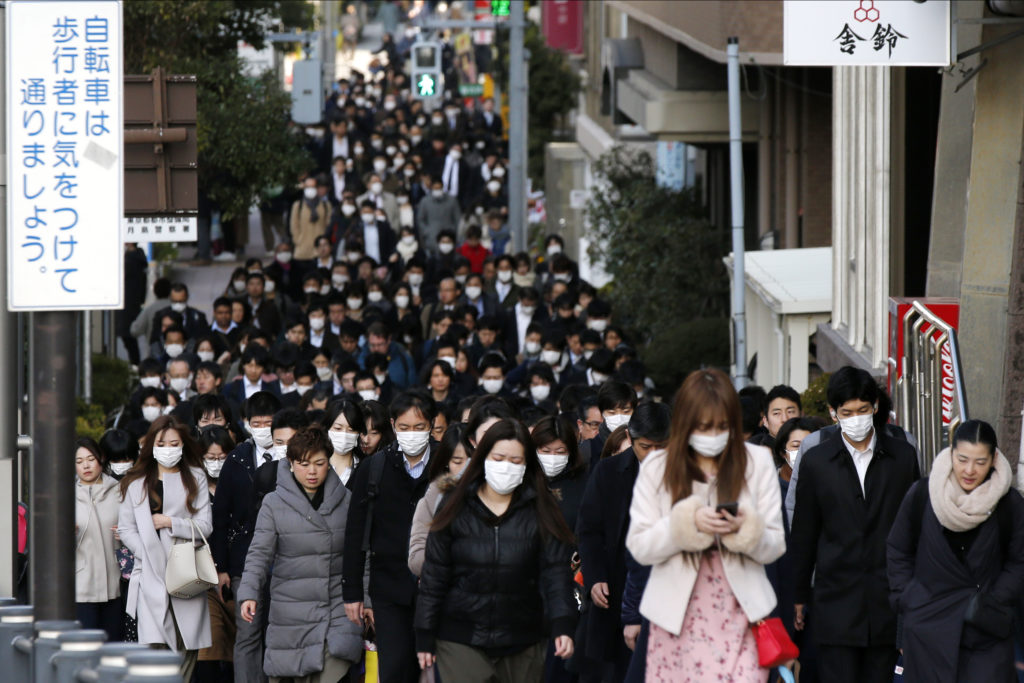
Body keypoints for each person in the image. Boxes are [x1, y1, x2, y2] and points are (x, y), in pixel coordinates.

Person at [626, 369, 785, 681]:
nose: (713, 436)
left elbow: (775, 545)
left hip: (743, 611)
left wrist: (745, 527)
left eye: (722, 427)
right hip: (674, 615)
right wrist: (685, 524)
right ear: (685, 423)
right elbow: (640, 546)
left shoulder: (758, 462)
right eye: (703, 427)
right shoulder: (658, 467)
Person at [414, 419, 578, 681]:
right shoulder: (456, 506)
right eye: (499, 458)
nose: (506, 467)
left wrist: (563, 624)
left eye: (516, 461)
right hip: (460, 636)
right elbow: (435, 577)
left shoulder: (541, 509)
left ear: (527, 464)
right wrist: (424, 633)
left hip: (523, 637)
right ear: (483, 458)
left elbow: (556, 573)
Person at [790, 367, 920, 682]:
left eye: (863, 410)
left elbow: (915, 527)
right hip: (836, 600)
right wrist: (797, 596)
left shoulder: (902, 457)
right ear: (833, 413)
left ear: (876, 407)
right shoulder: (817, 461)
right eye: (846, 412)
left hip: (888, 601)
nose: (856, 418)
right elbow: (804, 533)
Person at [887, 419, 1024, 682]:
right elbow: (898, 549)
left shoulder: (1009, 503)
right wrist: (909, 598)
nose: (969, 470)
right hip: (928, 627)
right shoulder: (923, 495)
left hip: (986, 630)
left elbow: (1019, 561)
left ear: (994, 459)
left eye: (980, 462)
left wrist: (994, 599)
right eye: (962, 459)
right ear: (951, 454)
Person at [239, 426, 363, 683]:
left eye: (319, 463)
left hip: (336, 610)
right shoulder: (274, 503)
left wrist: (367, 600)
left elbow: (363, 555)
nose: (312, 471)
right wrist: (249, 593)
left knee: (333, 668)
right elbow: (259, 553)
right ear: (291, 464)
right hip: (290, 614)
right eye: (304, 464)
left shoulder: (347, 500)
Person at [343, 390, 437, 683]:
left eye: (419, 428)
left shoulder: (446, 464)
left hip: (438, 587)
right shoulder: (375, 467)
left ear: (431, 426)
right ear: (394, 425)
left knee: (438, 670)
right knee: (394, 669)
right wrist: (353, 593)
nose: (412, 434)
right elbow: (355, 533)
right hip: (389, 589)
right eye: (405, 428)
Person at [575, 401, 670, 683]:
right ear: (629, 437)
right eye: (645, 447)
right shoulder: (608, 472)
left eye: (660, 447)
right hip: (614, 589)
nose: (653, 455)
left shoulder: (687, 476)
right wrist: (595, 577)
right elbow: (589, 530)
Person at [117, 416, 212, 681]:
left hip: (186, 573)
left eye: (174, 443)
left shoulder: (195, 477)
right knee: (152, 649)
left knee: (185, 647)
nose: (168, 449)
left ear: (183, 445)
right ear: (151, 445)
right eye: (162, 443)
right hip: (148, 574)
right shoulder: (134, 482)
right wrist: (146, 551)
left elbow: (205, 526)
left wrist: (171, 522)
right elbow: (126, 529)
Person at [211, 390, 282, 683]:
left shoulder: (294, 456)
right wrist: (222, 567)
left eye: (269, 422)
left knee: (278, 632)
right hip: (243, 560)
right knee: (248, 632)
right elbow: (221, 516)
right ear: (246, 423)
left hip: (284, 559)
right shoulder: (237, 458)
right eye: (257, 422)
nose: (263, 427)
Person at [196, 425, 237, 681]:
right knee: (208, 647)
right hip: (204, 579)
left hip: (236, 578)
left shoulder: (241, 485)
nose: (216, 464)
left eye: (222, 458)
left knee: (239, 648)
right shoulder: (192, 489)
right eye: (210, 458)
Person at [75, 437, 123, 640]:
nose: (85, 465)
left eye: (90, 459)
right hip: (82, 586)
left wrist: (127, 534)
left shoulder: (119, 491)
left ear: (101, 459)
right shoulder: (66, 496)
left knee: (114, 650)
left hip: (116, 584)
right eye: (78, 461)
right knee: (85, 649)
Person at [407, 422, 471, 577]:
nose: (466, 468)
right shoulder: (434, 496)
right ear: (447, 463)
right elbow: (415, 559)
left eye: (472, 461)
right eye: (457, 461)